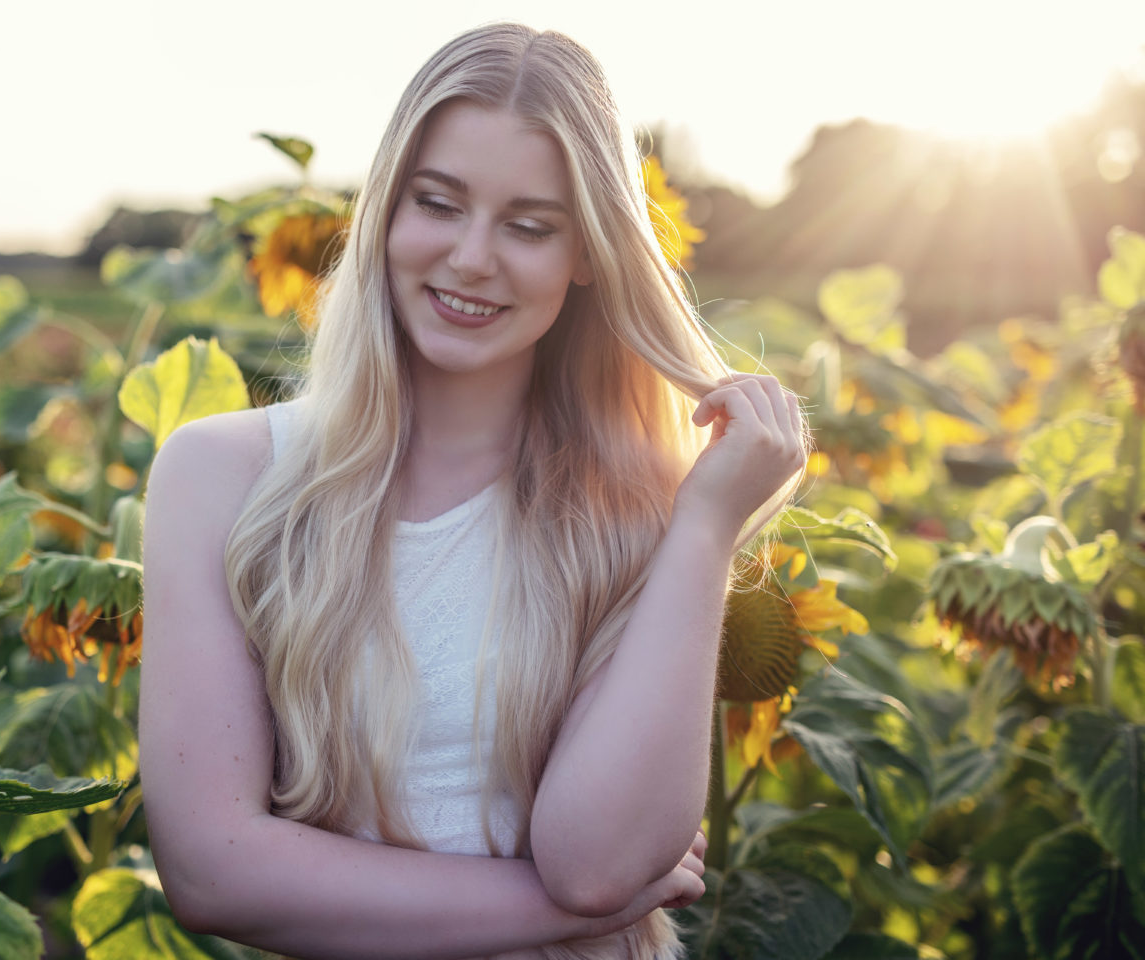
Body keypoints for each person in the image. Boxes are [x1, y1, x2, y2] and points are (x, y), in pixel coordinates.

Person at [139, 23, 806, 960]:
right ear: (385, 213)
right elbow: (212, 872)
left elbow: (597, 862)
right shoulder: (223, 475)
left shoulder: (650, 503)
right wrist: (555, 913)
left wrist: (703, 528)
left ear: (589, 253)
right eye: (438, 204)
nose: (470, 258)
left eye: (530, 226)